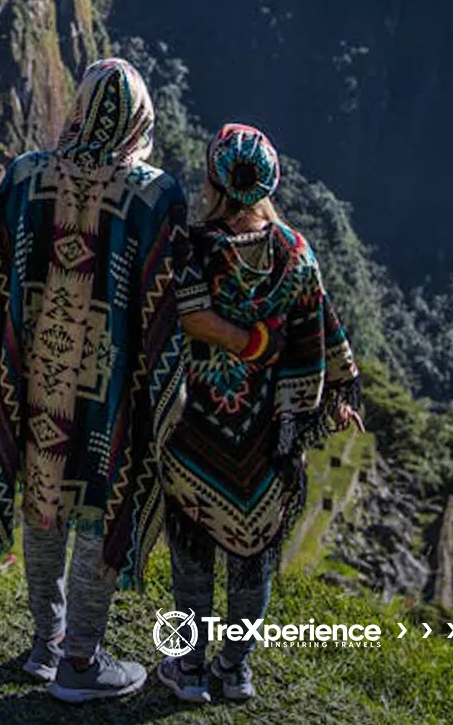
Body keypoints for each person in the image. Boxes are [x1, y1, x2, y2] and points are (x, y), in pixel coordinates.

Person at [0, 60, 272, 704]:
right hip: (112, 392)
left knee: (43, 501)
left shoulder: (25, 175)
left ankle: (47, 644)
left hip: (36, 380)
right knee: (101, 503)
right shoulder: (156, 196)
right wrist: (248, 339)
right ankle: (80, 661)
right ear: (140, 120)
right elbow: (177, 299)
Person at [157, 124, 362, 705]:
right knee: (254, 560)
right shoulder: (295, 251)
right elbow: (321, 331)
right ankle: (236, 668)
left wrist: (241, 341)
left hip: (196, 429)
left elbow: (187, 316)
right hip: (271, 434)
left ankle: (187, 668)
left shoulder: (193, 247)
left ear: (214, 180)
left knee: (192, 558)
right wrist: (339, 394)